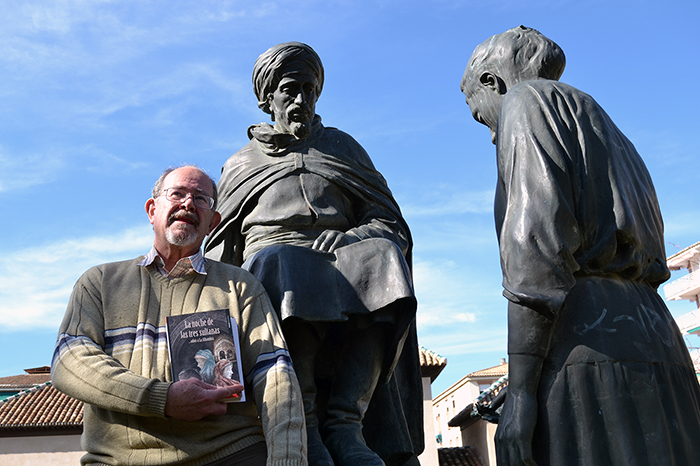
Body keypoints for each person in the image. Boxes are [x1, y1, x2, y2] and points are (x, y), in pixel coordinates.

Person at [460, 26, 700, 466]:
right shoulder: (612, 131)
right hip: (662, 345)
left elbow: (534, 252)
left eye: (482, 117)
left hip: (587, 346)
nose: (492, 135)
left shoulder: (525, 101)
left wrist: (522, 394)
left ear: (493, 82)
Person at [205, 42, 423, 466]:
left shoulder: (343, 148)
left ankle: (345, 426)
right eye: (291, 89)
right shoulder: (241, 163)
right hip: (271, 263)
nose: (302, 99)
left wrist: (352, 237)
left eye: (310, 89)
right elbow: (221, 246)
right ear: (268, 97)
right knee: (281, 263)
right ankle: (302, 423)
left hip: (342, 258)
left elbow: (390, 222)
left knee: (384, 257)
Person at [51, 165, 306, 466]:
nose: (188, 203)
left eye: (201, 199)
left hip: (230, 454)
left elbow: (275, 375)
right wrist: (163, 399)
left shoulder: (241, 286)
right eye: (177, 194)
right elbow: (69, 362)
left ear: (213, 222)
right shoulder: (99, 282)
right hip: (118, 459)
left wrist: (288, 459)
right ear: (152, 209)